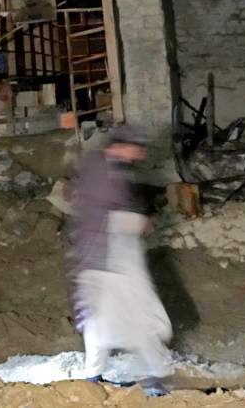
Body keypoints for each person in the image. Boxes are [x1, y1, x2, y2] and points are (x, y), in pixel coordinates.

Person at [68, 124, 173, 397]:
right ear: (123, 145)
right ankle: (157, 376)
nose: (138, 155)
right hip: (109, 257)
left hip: (102, 257)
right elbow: (105, 212)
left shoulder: (109, 165)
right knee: (131, 314)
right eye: (136, 149)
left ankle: (94, 374)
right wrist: (139, 220)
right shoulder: (101, 168)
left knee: (99, 317)